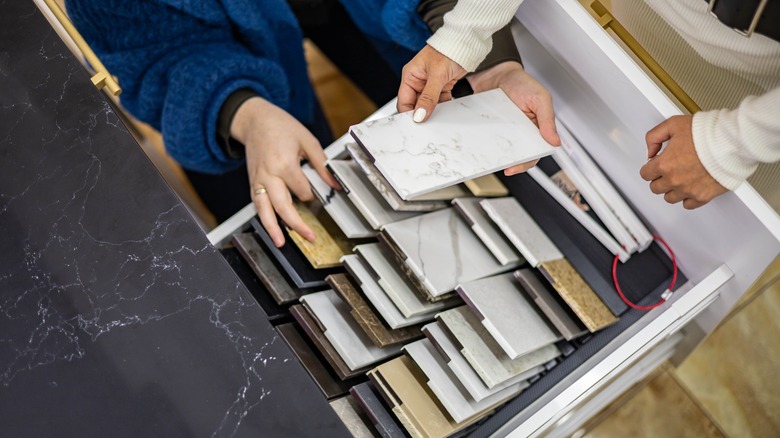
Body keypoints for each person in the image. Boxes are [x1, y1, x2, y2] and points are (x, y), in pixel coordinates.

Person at [403, 0, 780, 210]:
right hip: (643, 16)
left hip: (763, 88)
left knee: (730, 210)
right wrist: (464, 34)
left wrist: (733, 144)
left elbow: (730, 153)